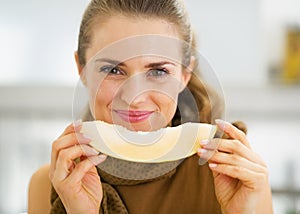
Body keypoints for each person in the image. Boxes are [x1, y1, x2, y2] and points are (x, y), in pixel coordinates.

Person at [28, 0, 273, 213]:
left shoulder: (239, 178)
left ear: (185, 75)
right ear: (81, 69)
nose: (135, 97)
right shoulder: (48, 185)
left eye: (158, 71)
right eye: (112, 70)